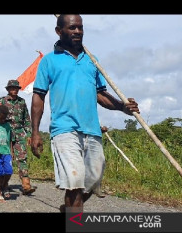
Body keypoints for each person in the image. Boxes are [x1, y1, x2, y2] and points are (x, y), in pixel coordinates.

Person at [30, 14, 140, 213]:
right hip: (64, 130)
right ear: (59, 31)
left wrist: (122, 107)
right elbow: (38, 97)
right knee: (74, 184)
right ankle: (75, 220)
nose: (78, 32)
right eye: (72, 28)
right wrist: (35, 132)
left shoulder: (92, 60)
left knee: (92, 181)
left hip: (92, 129)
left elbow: (100, 94)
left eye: (80, 28)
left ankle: (69, 209)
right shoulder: (49, 61)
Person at [0, 79, 35, 195]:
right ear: (8, 90)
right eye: (12, 88)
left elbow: (27, 119)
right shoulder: (2, 101)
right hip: (5, 132)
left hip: (19, 132)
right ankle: (4, 184)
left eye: (16, 88)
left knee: (22, 157)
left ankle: (26, 183)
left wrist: (29, 134)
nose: (14, 90)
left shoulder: (22, 102)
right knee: (5, 158)